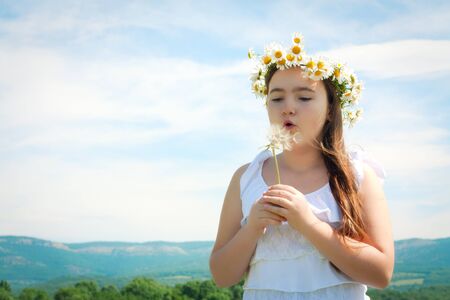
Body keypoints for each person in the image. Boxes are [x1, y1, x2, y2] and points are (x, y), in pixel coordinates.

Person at [209, 32, 394, 299]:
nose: (288, 108)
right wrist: (252, 228)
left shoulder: (356, 176)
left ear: (331, 109)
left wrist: (308, 223)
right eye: (276, 98)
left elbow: (381, 273)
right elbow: (222, 275)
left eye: (304, 98)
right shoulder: (246, 178)